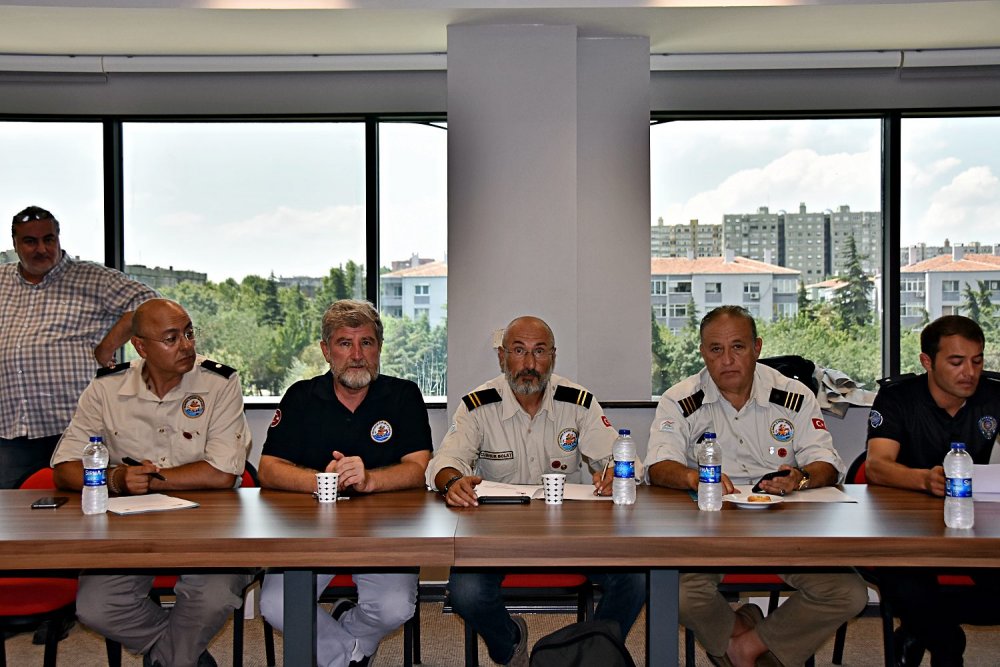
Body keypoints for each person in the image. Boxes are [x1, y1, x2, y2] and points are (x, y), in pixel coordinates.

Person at [645, 305, 867, 667]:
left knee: (848, 592)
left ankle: (746, 648)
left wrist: (801, 477)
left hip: (784, 526)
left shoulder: (793, 394)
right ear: (702, 352)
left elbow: (827, 464)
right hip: (709, 528)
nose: (727, 360)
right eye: (716, 349)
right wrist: (694, 477)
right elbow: (657, 466)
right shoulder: (680, 399)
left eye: (738, 347)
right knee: (677, 594)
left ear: (757, 347)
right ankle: (741, 631)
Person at [427, 315, 646, 667]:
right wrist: (453, 481)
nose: (529, 363)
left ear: (553, 357)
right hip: (496, 535)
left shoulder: (578, 402)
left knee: (635, 579)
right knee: (466, 592)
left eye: (539, 351)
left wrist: (616, 474)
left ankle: (590, 652)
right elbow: (445, 462)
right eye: (519, 351)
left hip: (571, 533)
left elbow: (625, 460)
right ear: (502, 357)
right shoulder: (477, 405)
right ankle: (511, 646)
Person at [51, 298, 252, 667]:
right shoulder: (107, 389)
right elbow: (64, 467)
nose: (187, 345)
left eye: (189, 333)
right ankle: (185, 658)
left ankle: (172, 659)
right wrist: (115, 478)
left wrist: (152, 481)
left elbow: (222, 473)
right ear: (141, 346)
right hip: (129, 530)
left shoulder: (219, 383)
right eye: (172, 338)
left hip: (210, 525)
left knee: (213, 595)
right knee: (96, 605)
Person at [258, 299, 432, 667]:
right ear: (326, 351)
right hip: (309, 531)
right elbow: (269, 469)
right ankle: (349, 653)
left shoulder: (403, 395)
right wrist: (321, 480)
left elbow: (420, 468)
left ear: (379, 348)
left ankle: (344, 636)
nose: (356, 355)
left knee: (395, 607)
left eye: (366, 343)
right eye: (344, 343)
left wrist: (370, 481)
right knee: (276, 605)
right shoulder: (301, 396)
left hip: (386, 530)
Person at [866, 314, 1000, 667]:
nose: (969, 372)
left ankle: (920, 628)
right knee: (907, 589)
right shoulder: (897, 397)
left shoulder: (994, 394)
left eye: (977, 361)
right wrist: (924, 480)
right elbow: (877, 466)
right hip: (903, 528)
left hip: (970, 526)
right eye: (956, 362)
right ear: (927, 361)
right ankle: (946, 641)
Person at [0, 205, 157, 488]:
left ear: (58, 238)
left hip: (77, 429)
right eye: (30, 241)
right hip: (11, 433)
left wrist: (106, 347)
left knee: (88, 506)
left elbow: (150, 304)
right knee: (10, 511)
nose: (41, 249)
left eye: (49, 239)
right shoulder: (2, 281)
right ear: (15, 243)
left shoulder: (92, 278)